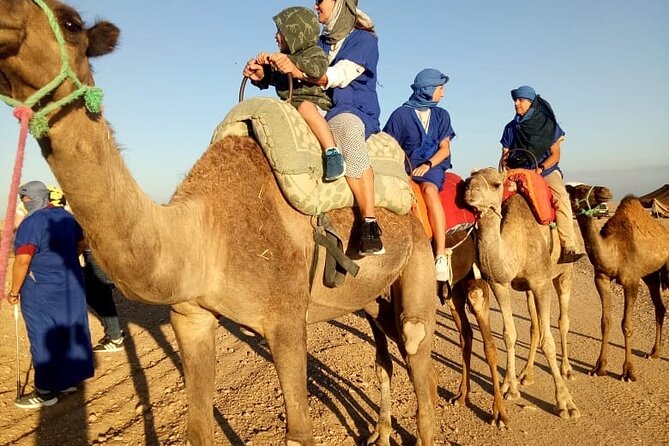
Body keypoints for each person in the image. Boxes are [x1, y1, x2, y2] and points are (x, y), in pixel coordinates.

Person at [254, 0, 383, 255]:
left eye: (320, 0)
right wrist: (264, 76)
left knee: (346, 131)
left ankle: (369, 222)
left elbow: (337, 76)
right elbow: (295, 73)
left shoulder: (364, 41)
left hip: (350, 108)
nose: (315, 6)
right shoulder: (320, 43)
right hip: (318, 106)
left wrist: (298, 70)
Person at [6, 181, 94, 409]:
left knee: (43, 335)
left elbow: (23, 260)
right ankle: (68, 380)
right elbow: (81, 241)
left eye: (24, 198)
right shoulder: (65, 217)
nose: (23, 203)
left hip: (41, 290)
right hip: (71, 286)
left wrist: (14, 291)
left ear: (31, 199)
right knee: (70, 331)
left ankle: (45, 391)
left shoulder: (31, 223)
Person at [243, 6, 346, 182]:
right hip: (290, 105)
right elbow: (273, 79)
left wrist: (290, 62)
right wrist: (260, 73)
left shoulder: (315, 53)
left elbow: (317, 69)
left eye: (281, 32)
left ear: (296, 33)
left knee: (305, 107)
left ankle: (332, 153)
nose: (276, 36)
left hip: (314, 105)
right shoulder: (282, 57)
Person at [384, 68, 455, 281]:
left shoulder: (442, 115)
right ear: (428, 89)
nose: (442, 93)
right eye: (440, 88)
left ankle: (440, 254)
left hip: (433, 165)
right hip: (406, 166)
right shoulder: (400, 115)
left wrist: (428, 164)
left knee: (430, 190)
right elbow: (390, 146)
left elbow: (445, 149)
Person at [500, 85, 584, 264]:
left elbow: (556, 155)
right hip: (517, 171)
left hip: (545, 170)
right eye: (515, 100)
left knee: (560, 196)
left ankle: (568, 245)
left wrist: (540, 169)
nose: (516, 103)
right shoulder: (510, 128)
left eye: (520, 100)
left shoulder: (549, 126)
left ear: (531, 102)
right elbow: (504, 156)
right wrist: (509, 171)